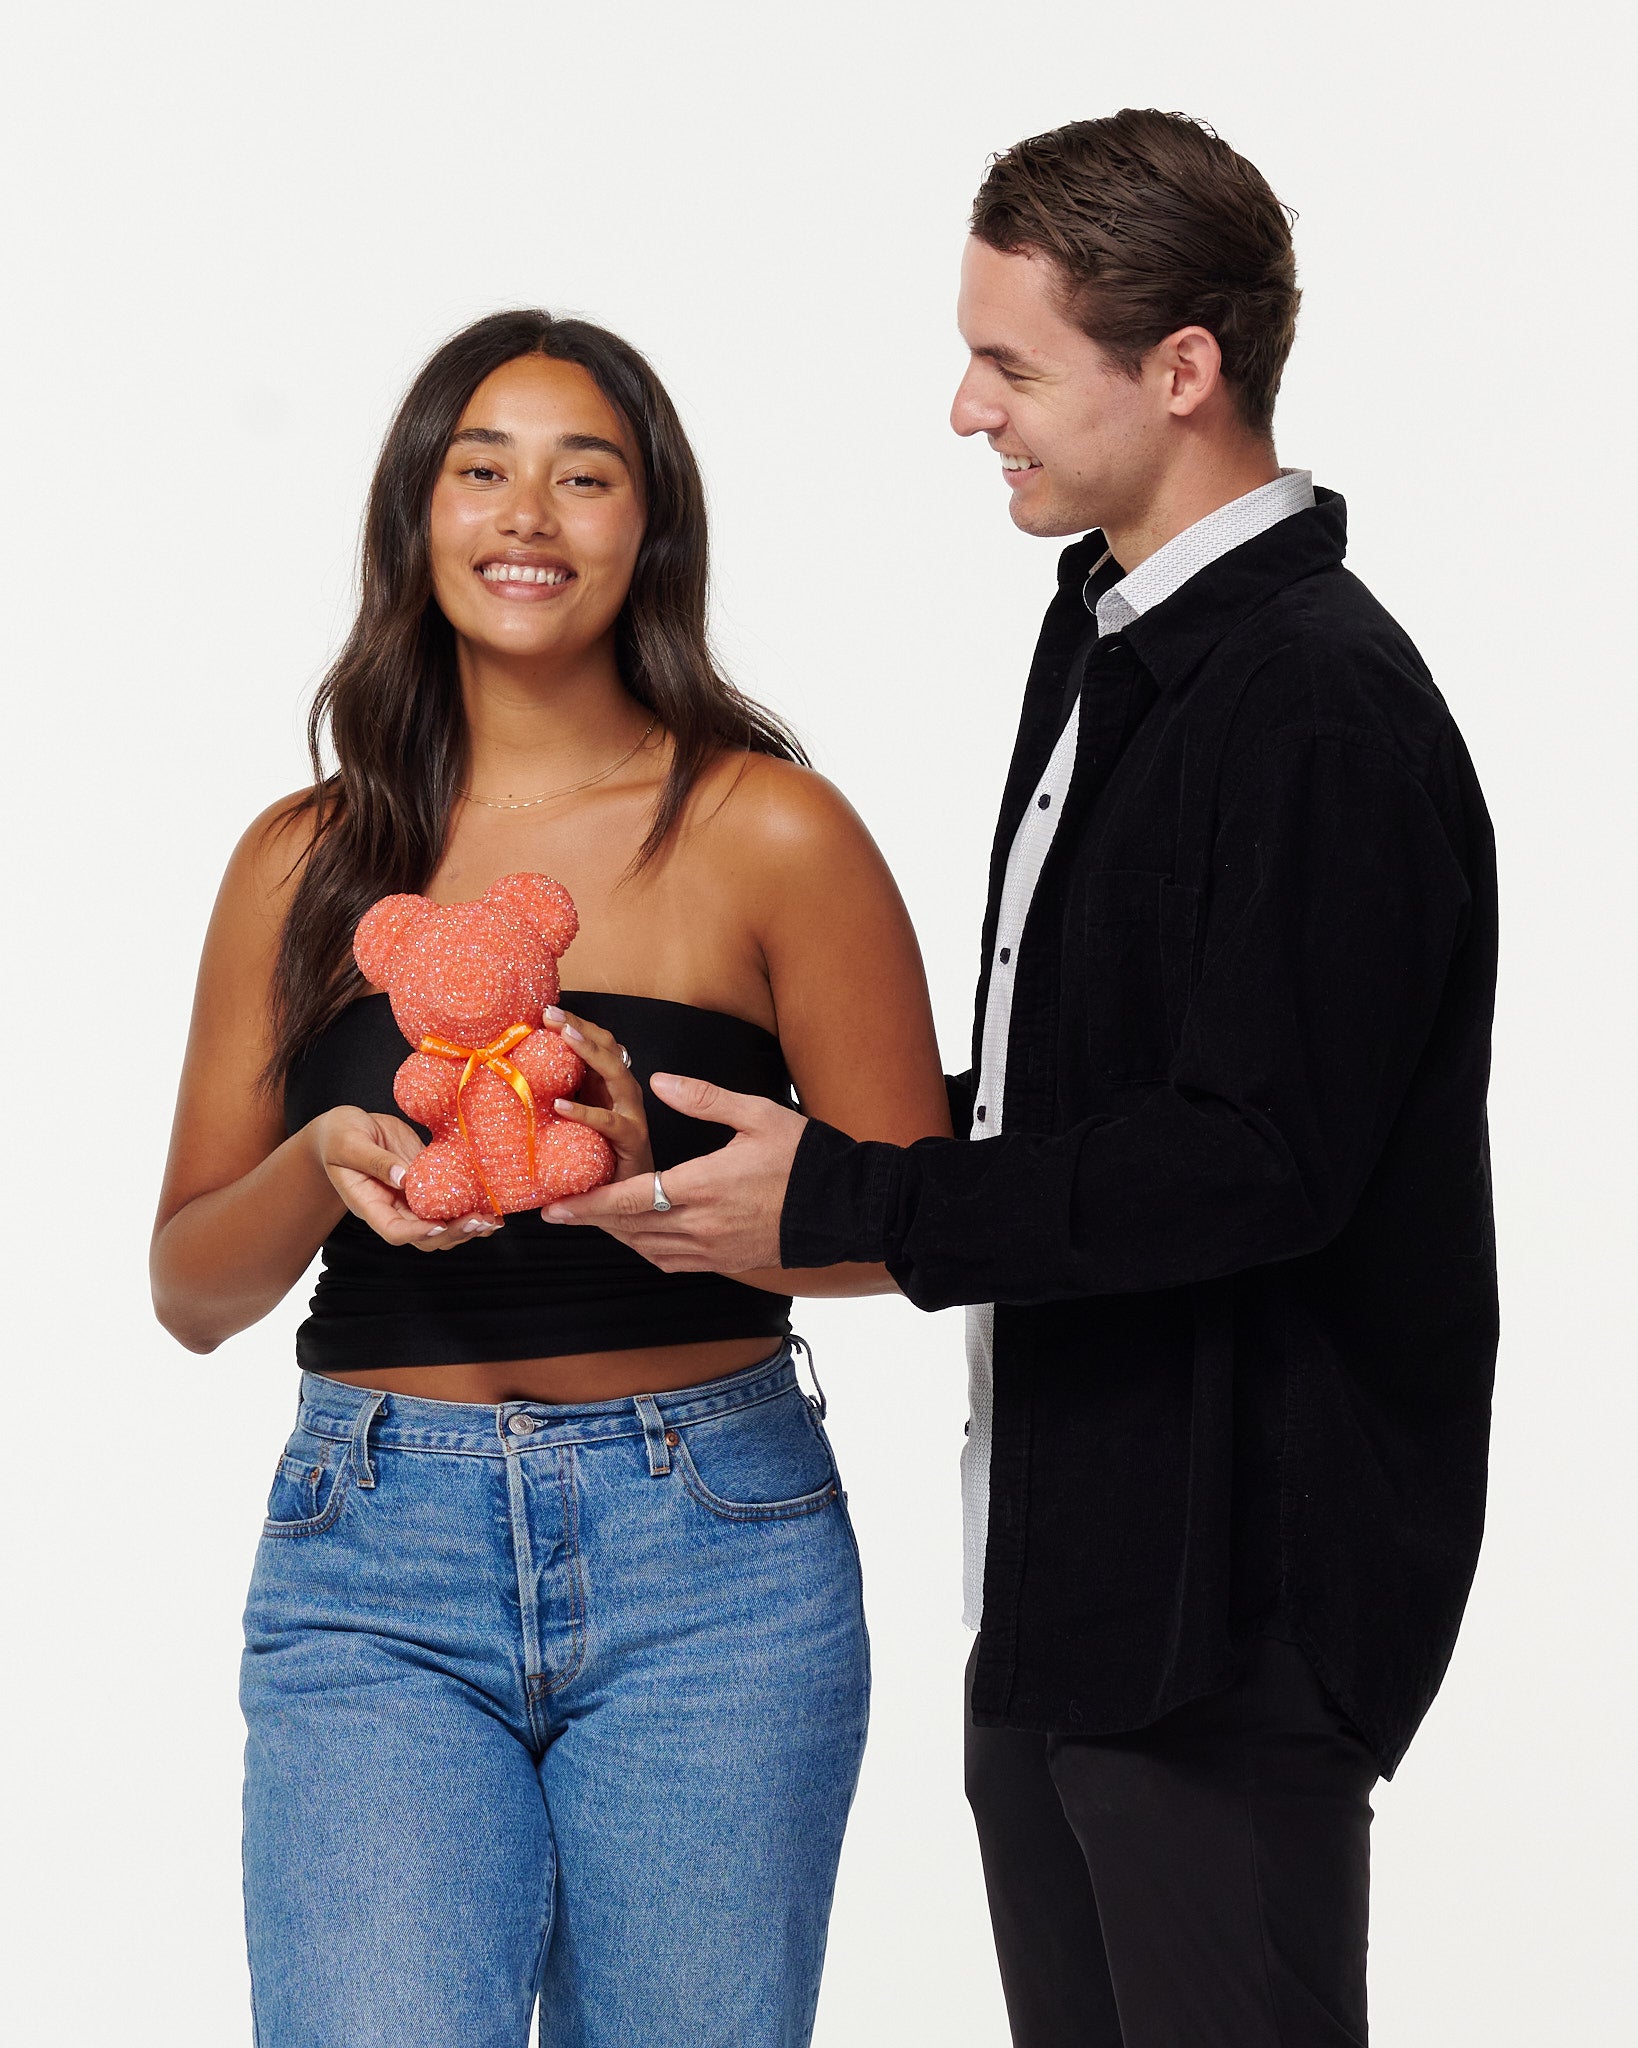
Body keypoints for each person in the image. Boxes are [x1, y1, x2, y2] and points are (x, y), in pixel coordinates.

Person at [549, 112, 1499, 2046]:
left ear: (1180, 371)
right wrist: (812, 1155)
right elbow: (1098, 1081)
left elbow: (1252, 1161)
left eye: (1010, 362)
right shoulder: (1105, 629)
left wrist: (867, 1207)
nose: (961, 408)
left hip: (1231, 1620)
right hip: (1074, 1588)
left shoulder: (1311, 700)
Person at [149, 308, 950, 2048]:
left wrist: (658, 1183)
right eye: (481, 469)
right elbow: (192, 1290)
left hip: (716, 1554)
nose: (530, 517)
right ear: (412, 518)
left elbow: (913, 1223)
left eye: (585, 476)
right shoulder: (302, 862)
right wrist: (318, 1160)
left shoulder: (769, 829)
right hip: (373, 1560)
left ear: (649, 525)